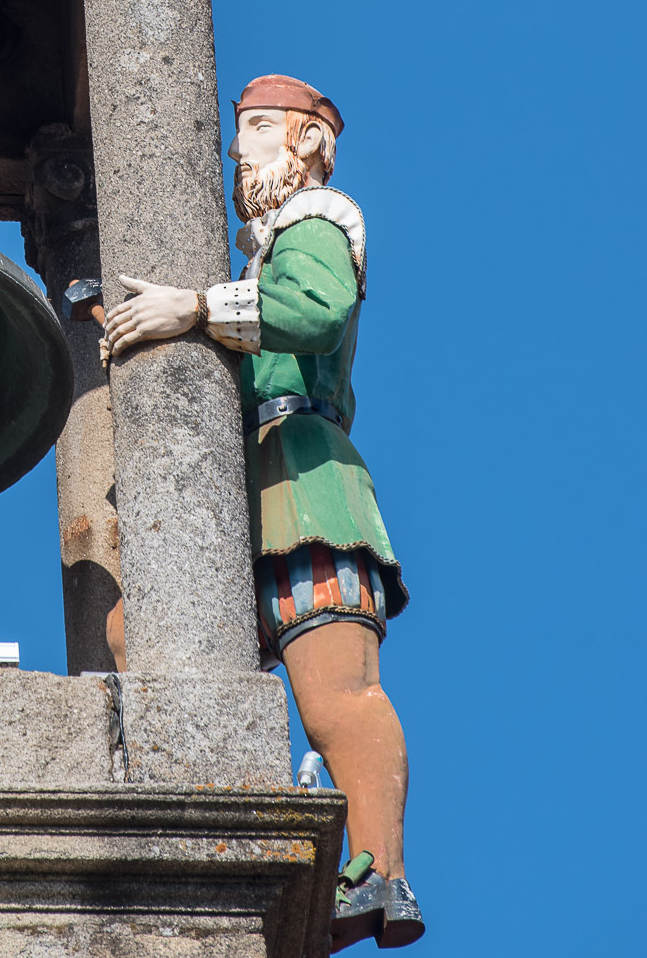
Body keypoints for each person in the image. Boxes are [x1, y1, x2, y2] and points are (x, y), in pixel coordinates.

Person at [100, 75, 424, 950]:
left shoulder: (318, 222)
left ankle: (380, 872)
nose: (237, 148)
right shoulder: (261, 251)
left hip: (307, 479)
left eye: (257, 129)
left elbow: (315, 312)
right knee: (137, 630)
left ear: (306, 142)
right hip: (243, 488)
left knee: (336, 690)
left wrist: (196, 307)